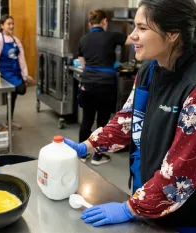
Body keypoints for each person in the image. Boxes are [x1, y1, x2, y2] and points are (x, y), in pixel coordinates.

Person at [64, 0, 196, 232]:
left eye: (142, 28)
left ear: (173, 33)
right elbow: (126, 121)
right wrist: (87, 146)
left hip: (183, 213)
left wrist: (129, 209)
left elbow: (181, 170)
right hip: (147, 196)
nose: (133, 36)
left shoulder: (192, 86)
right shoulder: (148, 72)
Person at [77, 10, 133, 165]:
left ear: (90, 24)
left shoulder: (83, 39)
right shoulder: (112, 36)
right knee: (102, 122)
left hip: (87, 84)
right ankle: (98, 156)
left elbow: (83, 64)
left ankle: (82, 154)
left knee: (86, 119)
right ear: (105, 22)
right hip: (106, 85)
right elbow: (132, 40)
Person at [0, 14, 33, 130]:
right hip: (5, 73)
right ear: (2, 25)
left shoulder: (15, 40)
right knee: (19, 90)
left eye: (12, 24)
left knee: (15, 95)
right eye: (8, 24)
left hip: (16, 72)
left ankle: (9, 119)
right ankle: (4, 119)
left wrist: (25, 75)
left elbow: (21, 59)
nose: (11, 26)